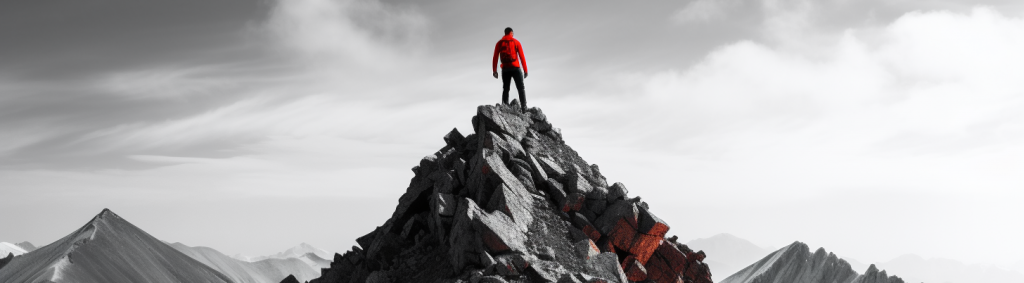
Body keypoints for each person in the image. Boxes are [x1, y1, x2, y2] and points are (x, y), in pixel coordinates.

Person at [492, 27, 528, 112]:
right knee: (521, 88)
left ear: (505, 33)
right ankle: (524, 108)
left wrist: (494, 71)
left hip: (505, 69)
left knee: (506, 88)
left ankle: (504, 107)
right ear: (511, 32)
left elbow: (495, 57)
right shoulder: (516, 42)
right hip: (515, 68)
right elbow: (522, 57)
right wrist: (525, 70)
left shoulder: (499, 43)